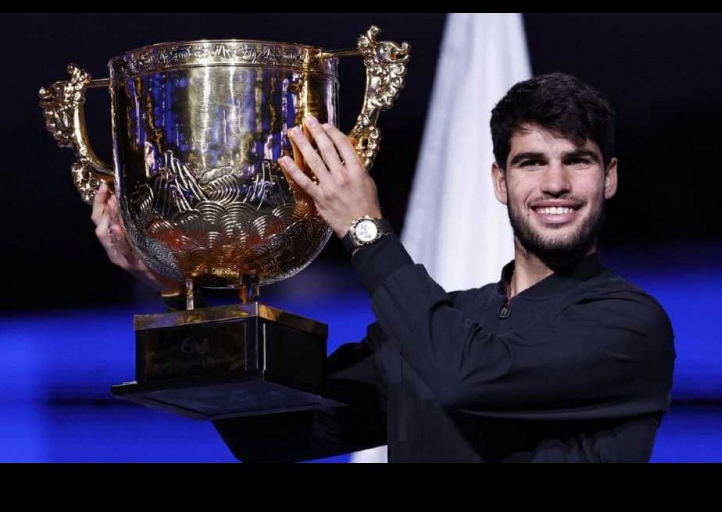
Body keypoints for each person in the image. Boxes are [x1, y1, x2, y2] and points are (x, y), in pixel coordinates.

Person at [93, 72, 675, 463]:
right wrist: (184, 290)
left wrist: (365, 230)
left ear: (609, 178)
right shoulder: (438, 322)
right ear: (501, 182)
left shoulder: (628, 325)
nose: (555, 183)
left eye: (578, 161)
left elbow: (463, 377)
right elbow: (270, 434)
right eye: (531, 162)